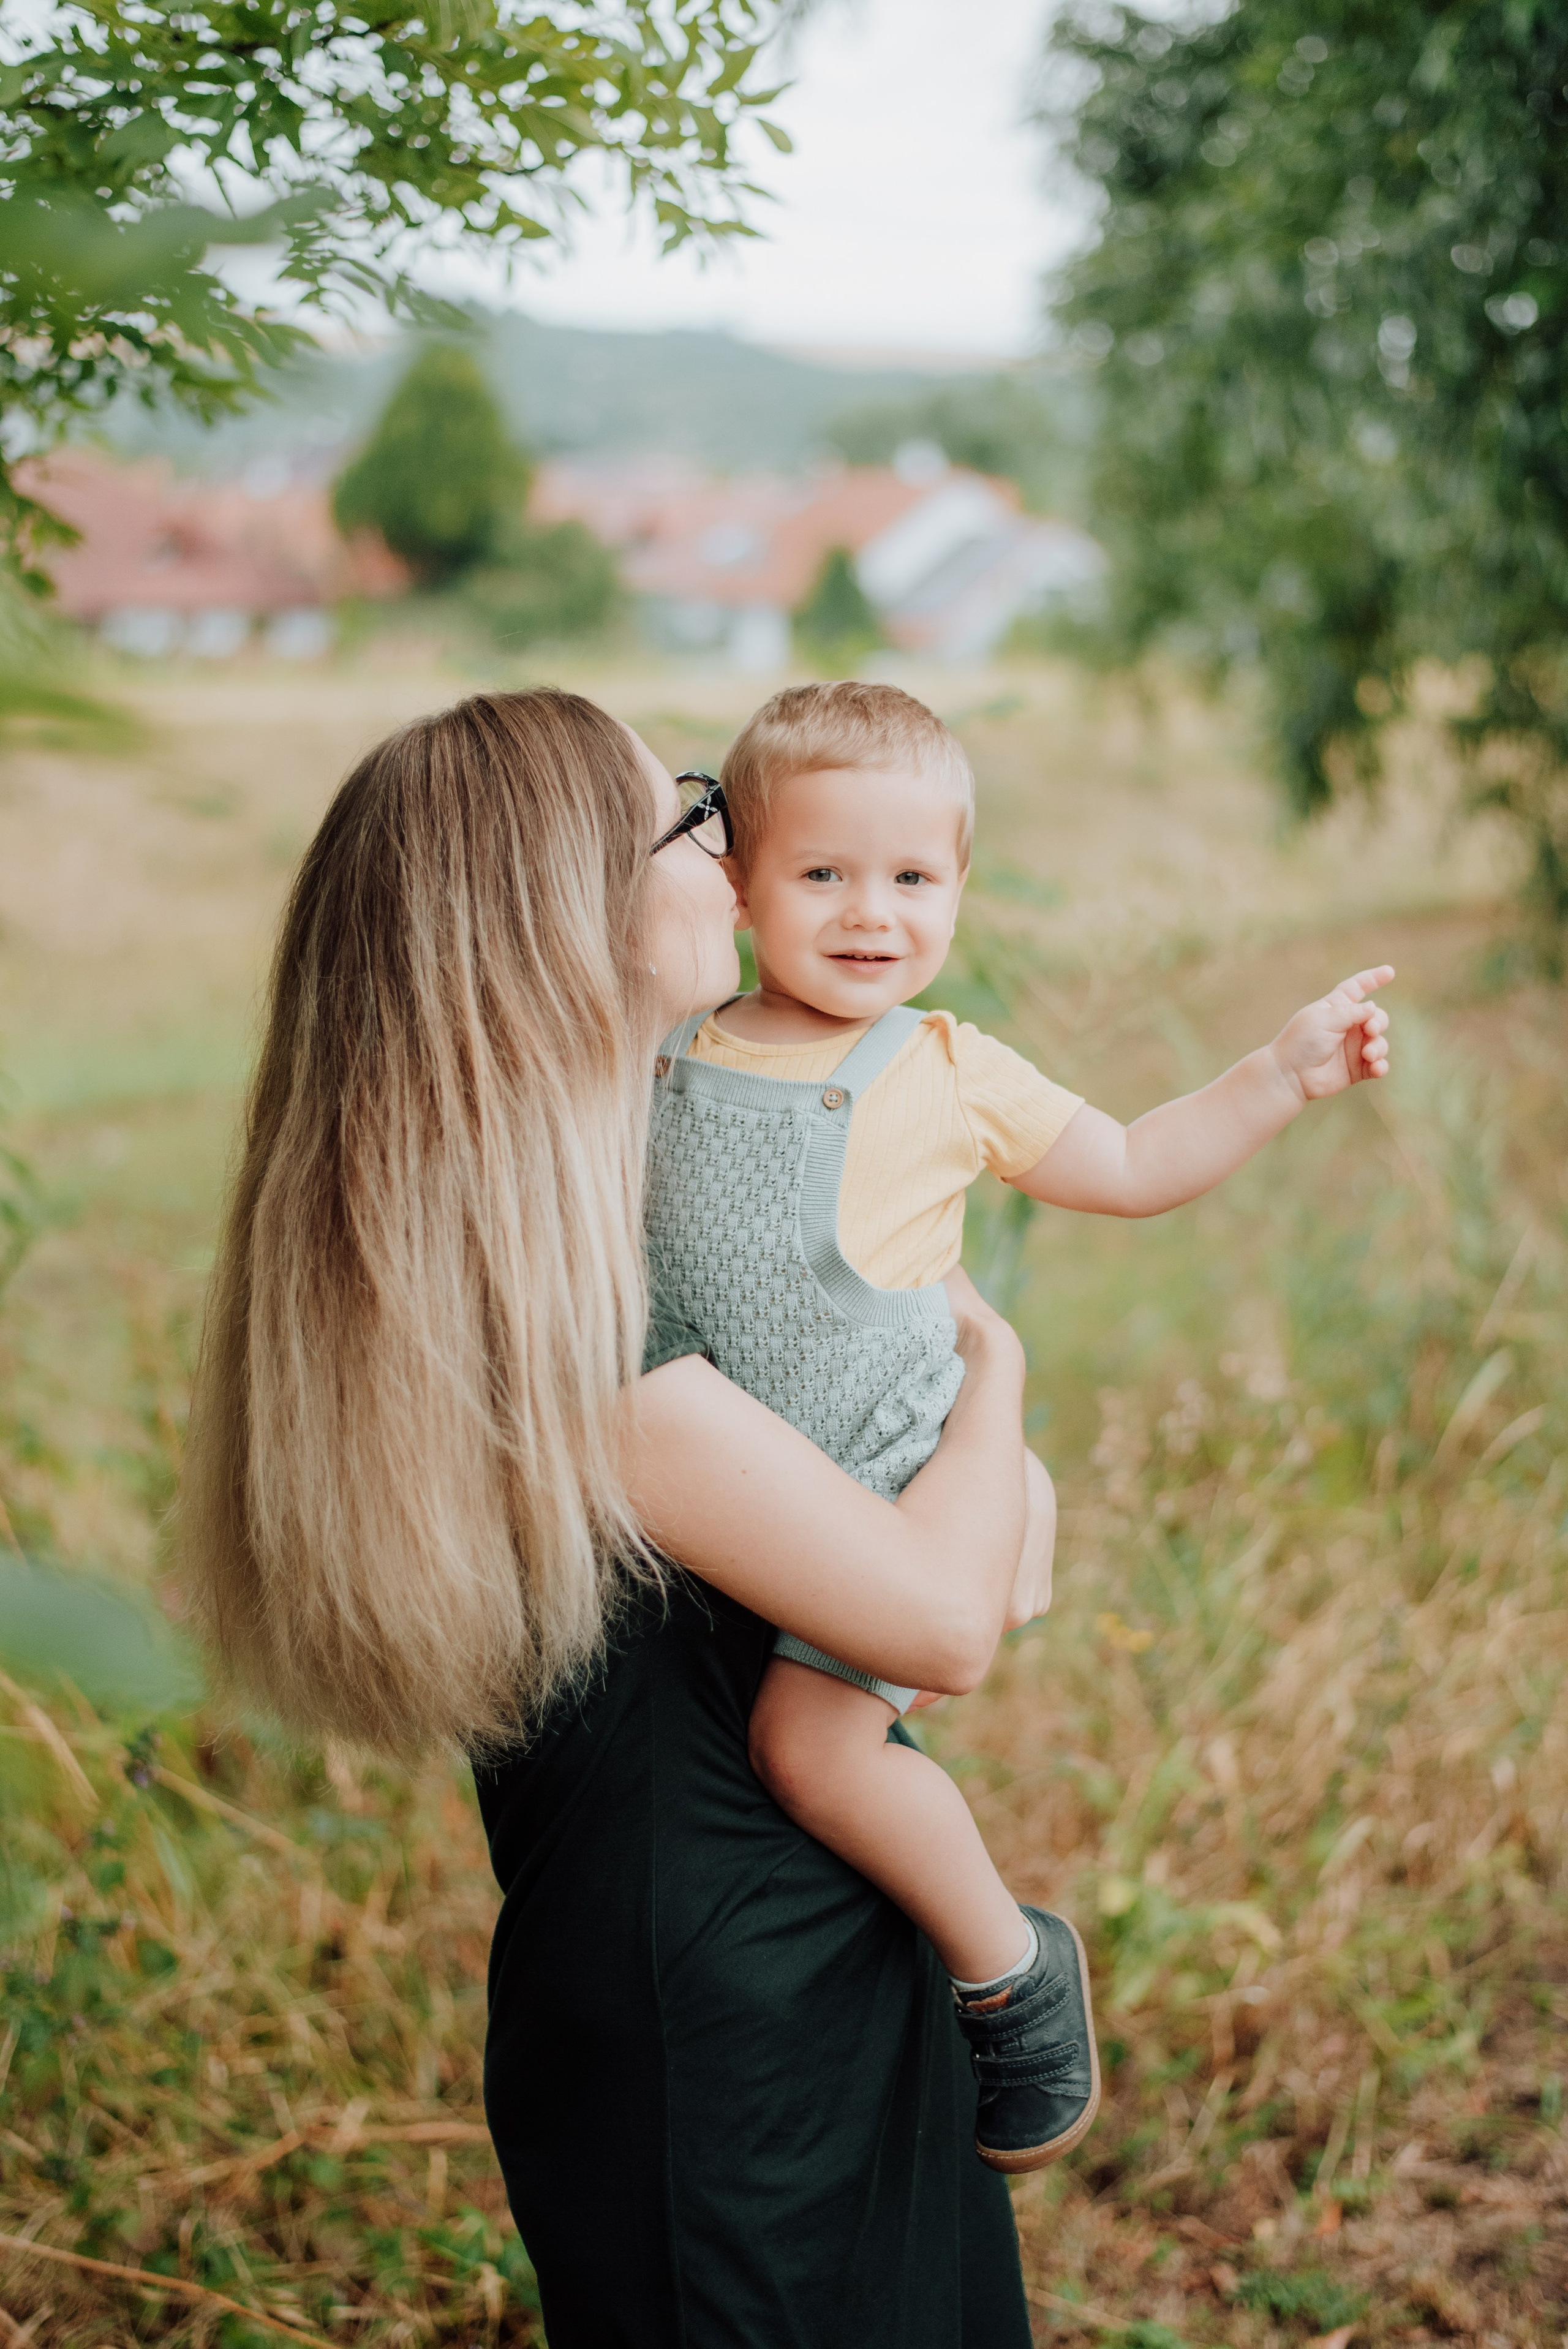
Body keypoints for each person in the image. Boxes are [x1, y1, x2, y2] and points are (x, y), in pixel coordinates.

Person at [178, 685, 1041, 2349]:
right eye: (690, 814)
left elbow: (977, 1560)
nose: (738, 847)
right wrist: (993, 1373)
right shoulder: (597, 1346)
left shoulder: (561, 1238)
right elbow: (946, 1617)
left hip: (764, 1958)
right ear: (563, 921)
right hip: (727, 2038)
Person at [646, 681, 1395, 2173]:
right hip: (723, 1479)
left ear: (958, 889)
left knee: (813, 1754)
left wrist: (1274, 1076)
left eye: (913, 878)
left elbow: (1125, 1160)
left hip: (884, 1476)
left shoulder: (944, 1069)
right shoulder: (669, 1043)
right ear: (734, 882)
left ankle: (1008, 1970)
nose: (872, 914)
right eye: (822, 874)